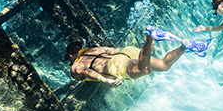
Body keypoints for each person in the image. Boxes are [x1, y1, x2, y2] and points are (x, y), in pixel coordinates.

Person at [66, 27, 210, 86]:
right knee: (163, 66)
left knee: (145, 70)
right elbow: (113, 50)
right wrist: (140, 53)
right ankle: (184, 46)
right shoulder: (94, 49)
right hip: (126, 52)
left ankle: (149, 38)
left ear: (71, 55)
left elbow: (87, 72)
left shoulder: (75, 66)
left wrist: (105, 80)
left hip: (116, 65)